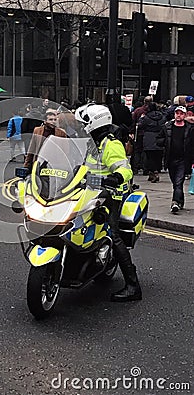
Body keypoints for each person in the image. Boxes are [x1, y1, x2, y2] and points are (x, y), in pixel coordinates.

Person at [75, 103, 142, 302]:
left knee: (112, 233)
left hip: (112, 194)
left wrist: (117, 178)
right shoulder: (92, 143)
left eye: (83, 123)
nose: (81, 127)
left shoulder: (110, 144)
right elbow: (85, 168)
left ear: (95, 122)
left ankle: (133, 286)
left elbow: (125, 170)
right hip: (92, 192)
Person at [156, 105, 194, 213]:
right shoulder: (167, 126)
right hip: (170, 159)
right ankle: (180, 201)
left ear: (185, 115)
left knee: (178, 181)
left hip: (183, 159)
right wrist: (163, 143)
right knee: (176, 182)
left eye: (181, 113)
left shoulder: (189, 129)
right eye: (177, 113)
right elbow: (159, 139)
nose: (179, 115)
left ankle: (175, 202)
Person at [139, 102, 166, 182]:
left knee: (149, 156)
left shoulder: (146, 117)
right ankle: (155, 171)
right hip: (159, 137)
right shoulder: (162, 116)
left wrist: (141, 118)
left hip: (149, 137)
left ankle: (153, 172)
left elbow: (141, 125)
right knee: (158, 156)